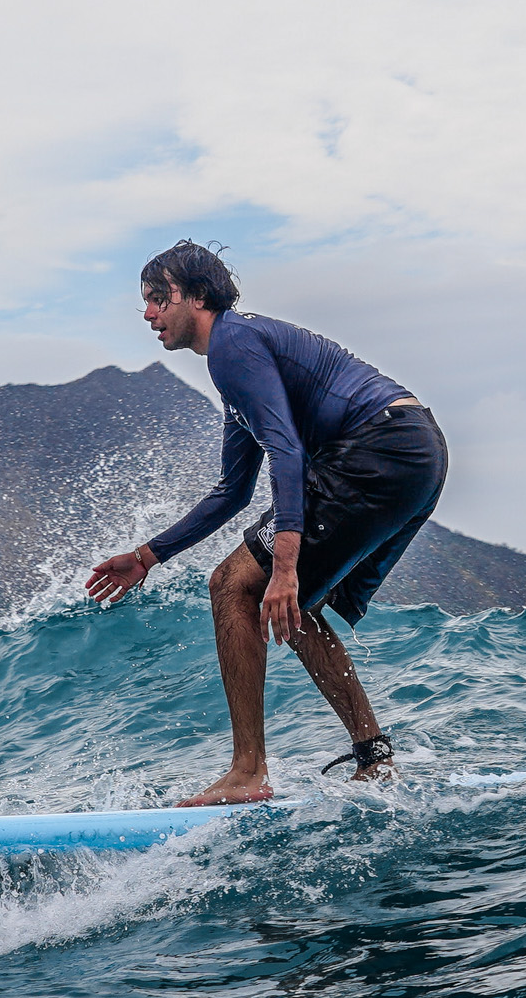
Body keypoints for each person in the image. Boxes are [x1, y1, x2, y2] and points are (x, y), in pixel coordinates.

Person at [88, 242, 448, 805]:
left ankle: (246, 772)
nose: (149, 313)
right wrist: (147, 556)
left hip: (380, 448)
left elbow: (286, 451)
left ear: (198, 297)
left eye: (160, 298)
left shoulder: (232, 347)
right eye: (146, 303)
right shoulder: (239, 357)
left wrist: (283, 566)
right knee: (293, 608)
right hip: (415, 450)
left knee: (232, 584)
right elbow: (232, 491)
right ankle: (373, 758)